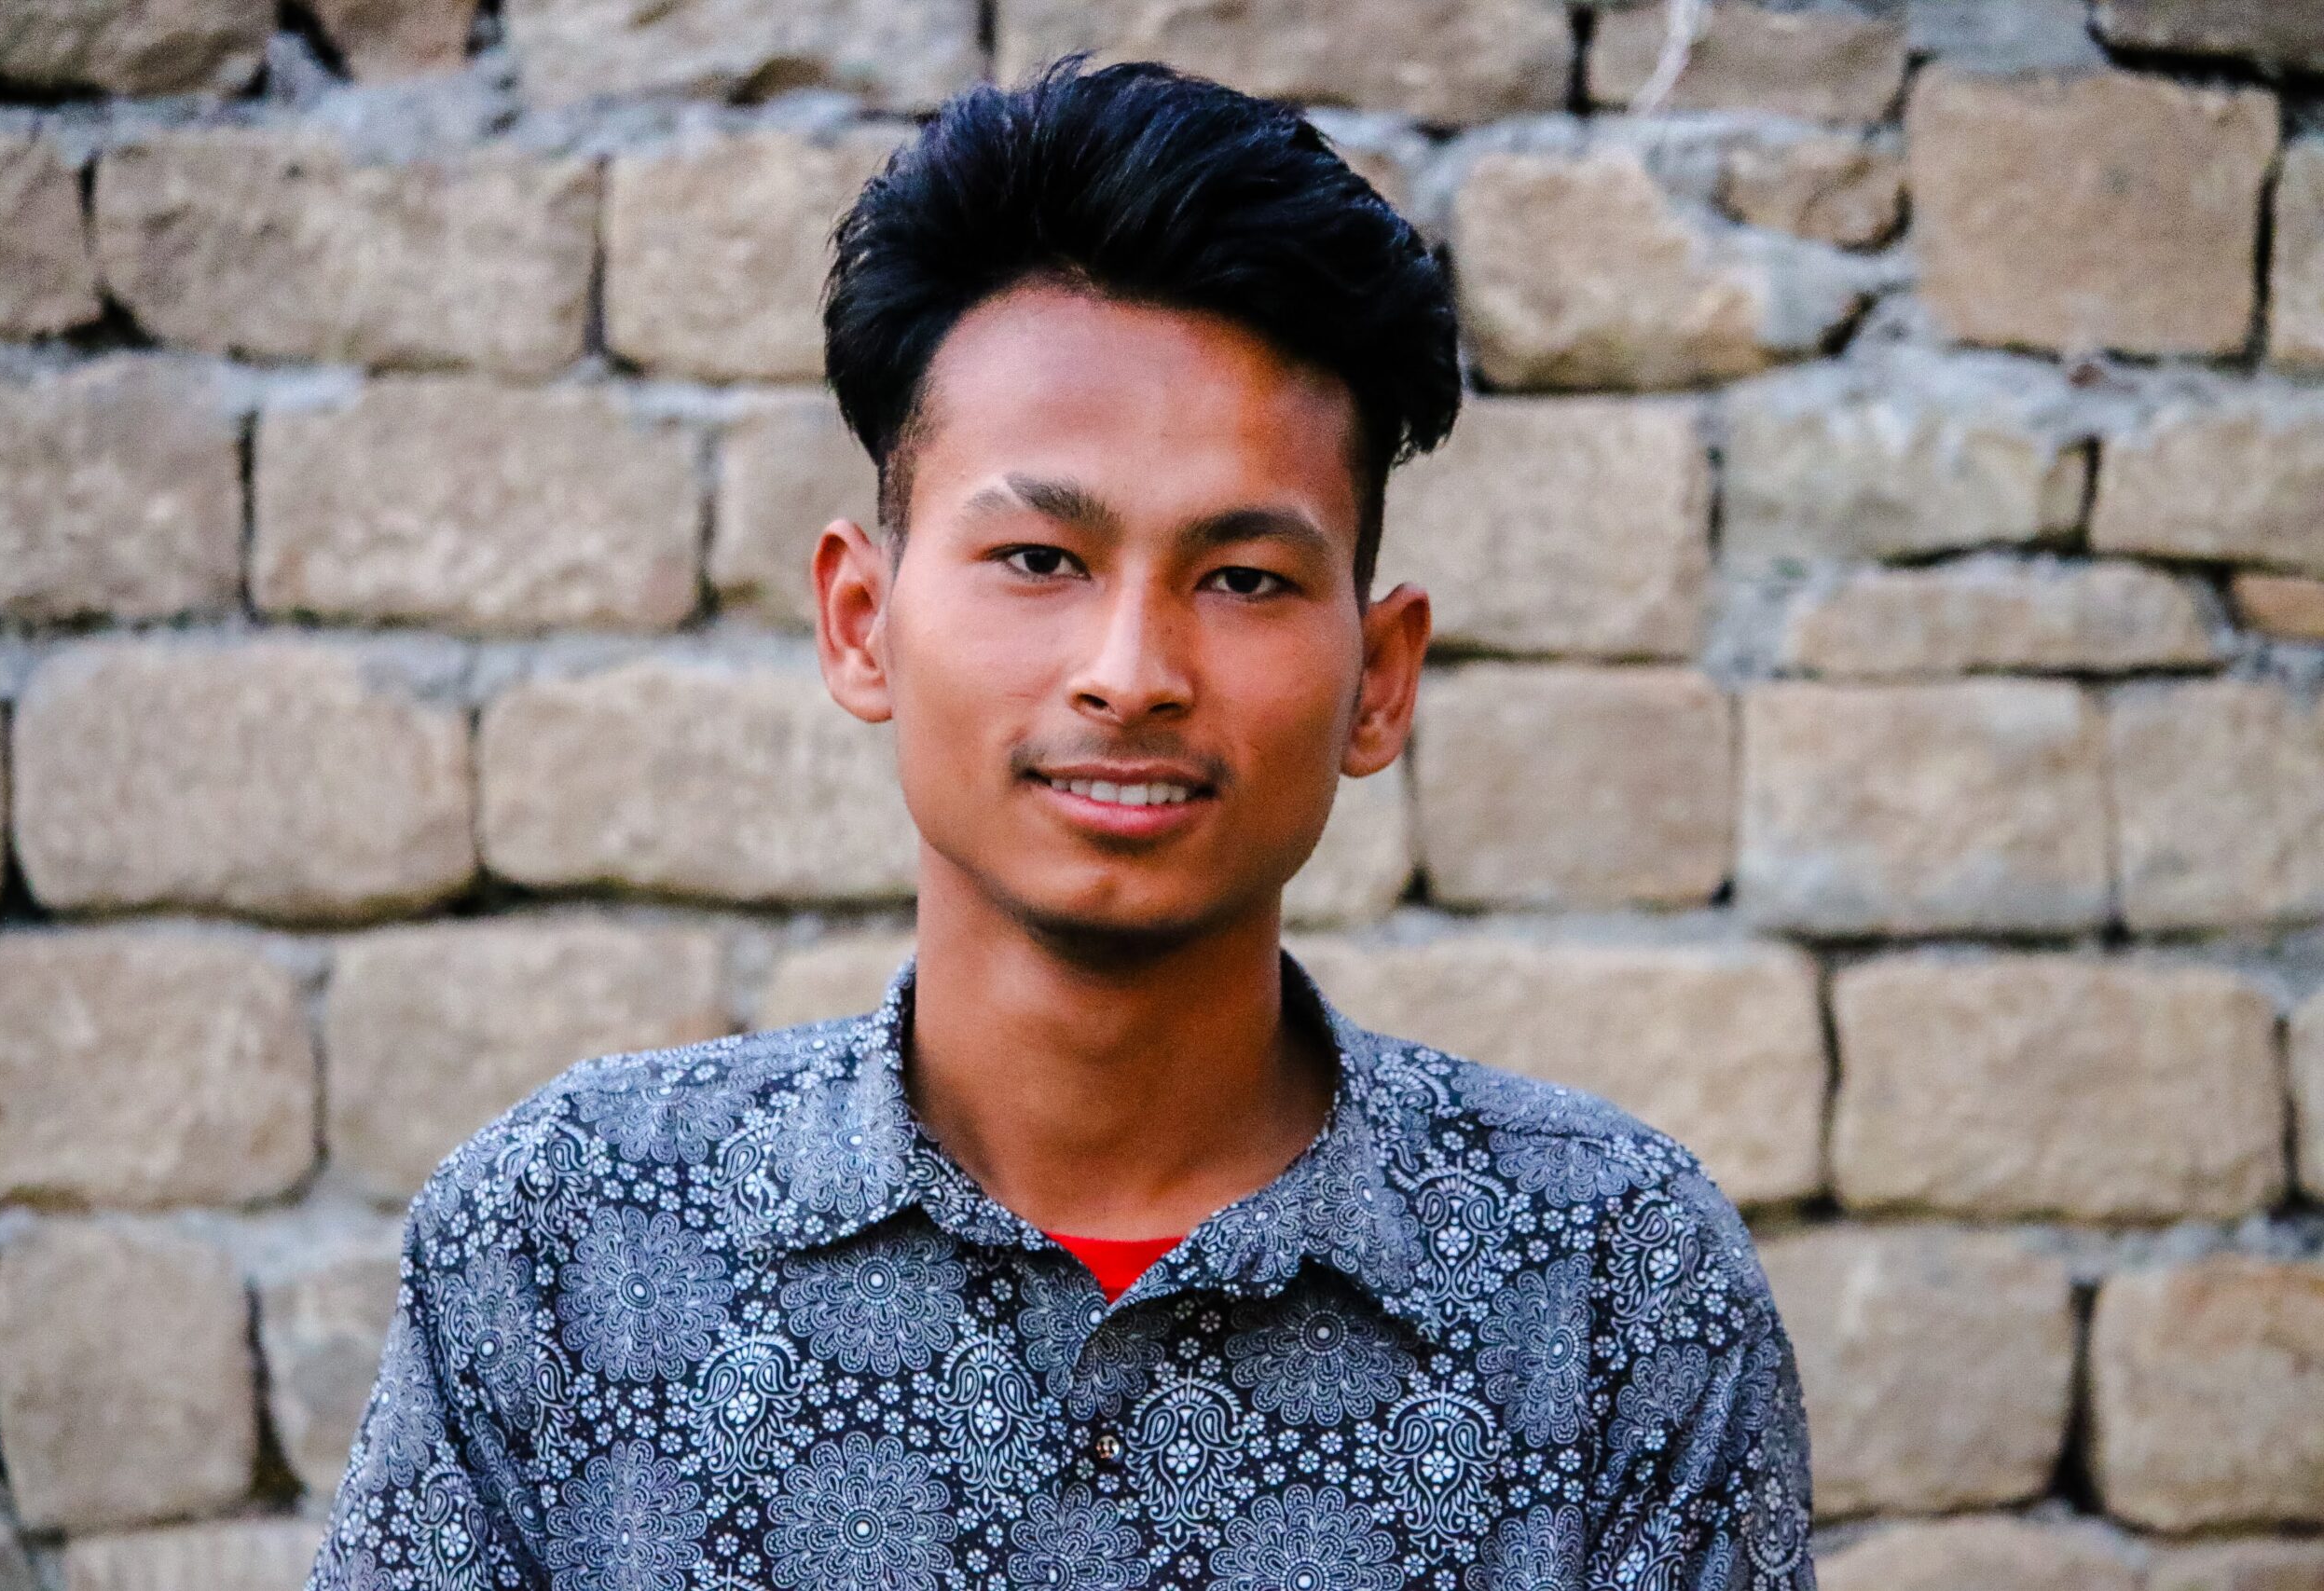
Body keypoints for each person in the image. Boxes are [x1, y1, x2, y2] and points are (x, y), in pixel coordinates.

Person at [306, 57, 1815, 1591]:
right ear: (861, 621)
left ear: (1382, 677)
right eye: (1038, 558)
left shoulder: (1610, 1284)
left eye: (1244, 579)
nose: (1131, 674)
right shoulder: (568, 1245)